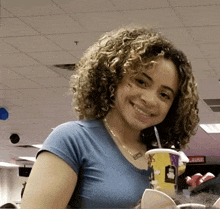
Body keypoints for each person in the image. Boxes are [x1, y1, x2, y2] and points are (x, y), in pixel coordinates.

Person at [21, 26, 199, 208]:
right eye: (141, 82)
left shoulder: (159, 159)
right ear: (113, 77)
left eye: (164, 95)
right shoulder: (72, 140)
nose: (150, 100)